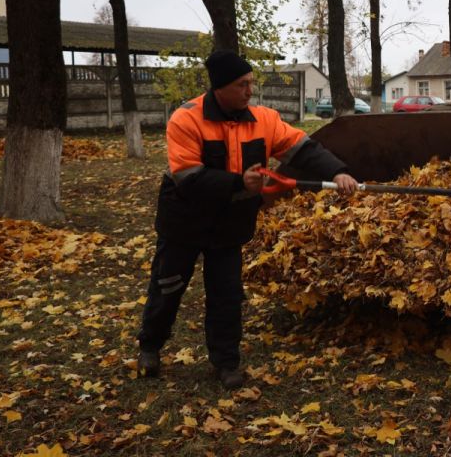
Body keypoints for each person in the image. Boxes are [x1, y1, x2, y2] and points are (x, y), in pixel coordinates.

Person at [136, 49, 359, 389]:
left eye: (251, 83)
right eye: (242, 84)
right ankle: (149, 347)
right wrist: (239, 183)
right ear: (221, 87)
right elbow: (188, 177)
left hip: (229, 225)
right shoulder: (187, 118)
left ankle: (226, 363)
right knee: (168, 288)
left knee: (226, 294)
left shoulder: (263, 119)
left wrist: (339, 172)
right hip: (185, 221)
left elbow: (304, 148)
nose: (249, 91)